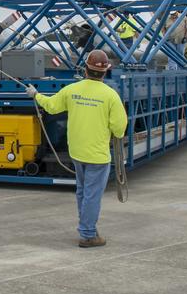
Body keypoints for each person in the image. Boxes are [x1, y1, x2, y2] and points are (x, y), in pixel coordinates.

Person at [25, 49, 128, 248]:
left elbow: (52, 106)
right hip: (97, 155)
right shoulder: (110, 95)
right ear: (105, 71)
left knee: (83, 192)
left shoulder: (72, 90)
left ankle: (86, 227)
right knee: (91, 195)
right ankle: (88, 234)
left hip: (77, 153)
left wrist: (36, 95)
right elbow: (119, 128)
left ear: (86, 70)